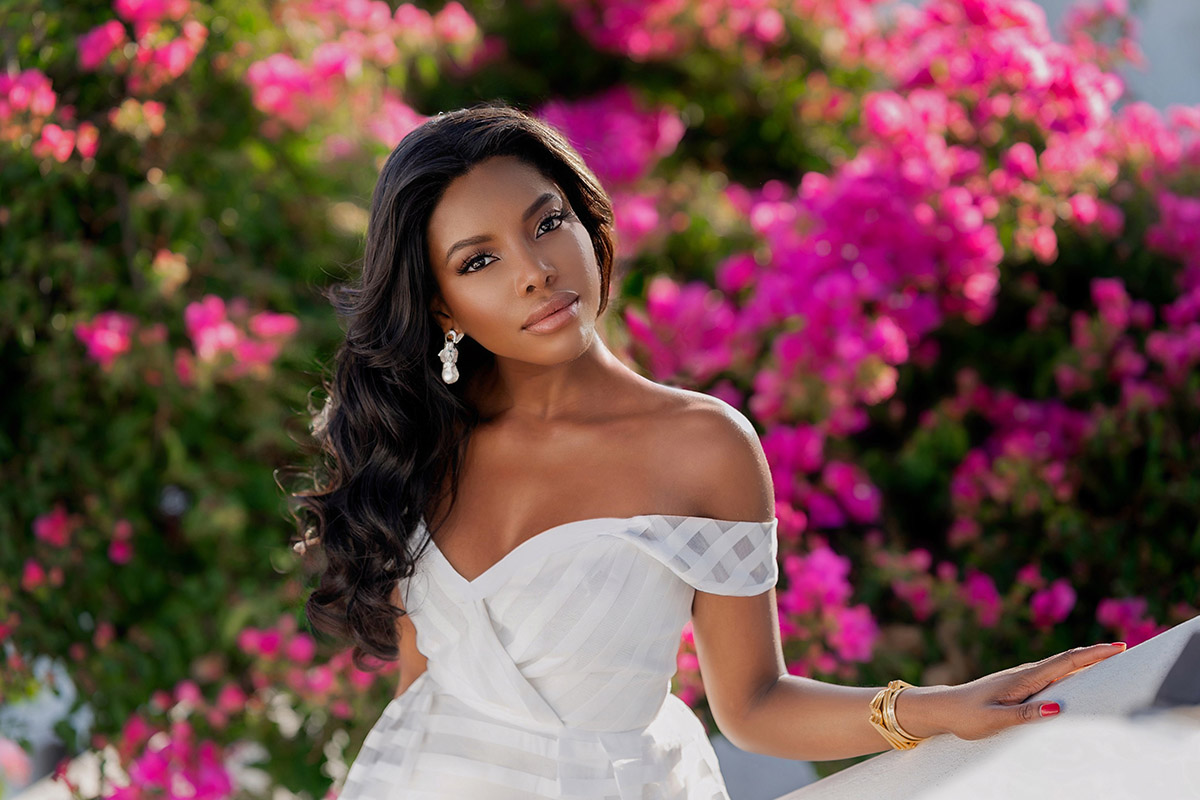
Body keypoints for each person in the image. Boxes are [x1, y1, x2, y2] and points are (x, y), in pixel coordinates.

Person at [290, 103, 1126, 799]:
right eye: (480, 260)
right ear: (442, 307)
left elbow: (753, 701)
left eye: (547, 223)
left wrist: (935, 708)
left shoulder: (701, 445)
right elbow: (421, 685)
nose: (536, 272)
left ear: (586, 220)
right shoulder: (417, 444)